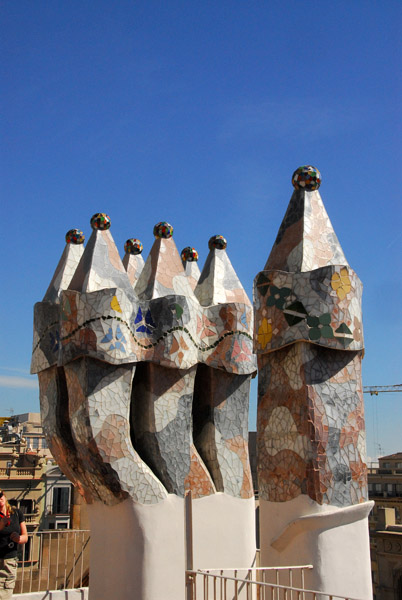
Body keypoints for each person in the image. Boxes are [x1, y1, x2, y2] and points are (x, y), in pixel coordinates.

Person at [0, 490, 27, 599]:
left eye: (0, 495)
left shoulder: (16, 513)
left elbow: (25, 536)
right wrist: (2, 524)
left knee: (5, 595)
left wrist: (18, 538)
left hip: (9, 561)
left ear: (4, 496)